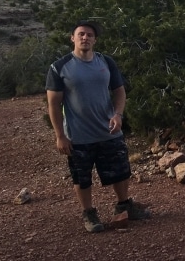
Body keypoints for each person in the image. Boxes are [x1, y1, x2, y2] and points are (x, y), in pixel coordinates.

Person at [46, 20, 150, 233]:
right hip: (78, 136)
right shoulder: (59, 67)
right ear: (72, 38)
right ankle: (89, 213)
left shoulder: (106, 62)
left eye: (90, 35)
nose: (85, 38)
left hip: (109, 131)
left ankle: (124, 205)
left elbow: (119, 91)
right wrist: (60, 136)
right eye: (81, 34)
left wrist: (118, 114)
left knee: (120, 171)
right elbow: (53, 104)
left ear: (95, 39)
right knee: (82, 177)